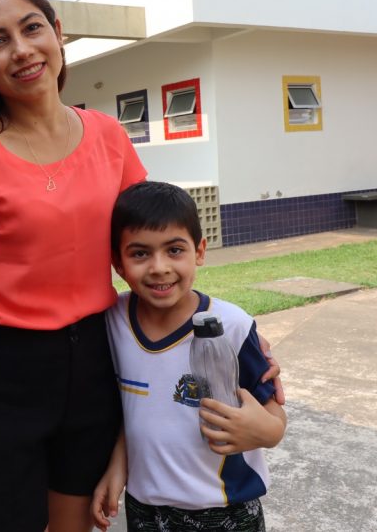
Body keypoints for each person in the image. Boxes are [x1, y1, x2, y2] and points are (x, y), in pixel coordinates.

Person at [0, 0, 281, 532]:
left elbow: (152, 252)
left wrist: (230, 331)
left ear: (58, 34)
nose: (21, 50)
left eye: (31, 28)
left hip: (93, 364)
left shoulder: (108, 137)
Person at [92, 181, 287, 532]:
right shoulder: (113, 321)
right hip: (144, 508)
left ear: (199, 251)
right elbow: (135, 409)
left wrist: (263, 433)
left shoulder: (233, 326)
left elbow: (274, 416)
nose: (159, 267)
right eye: (139, 253)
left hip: (223, 510)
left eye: (174, 250)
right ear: (117, 263)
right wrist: (117, 469)